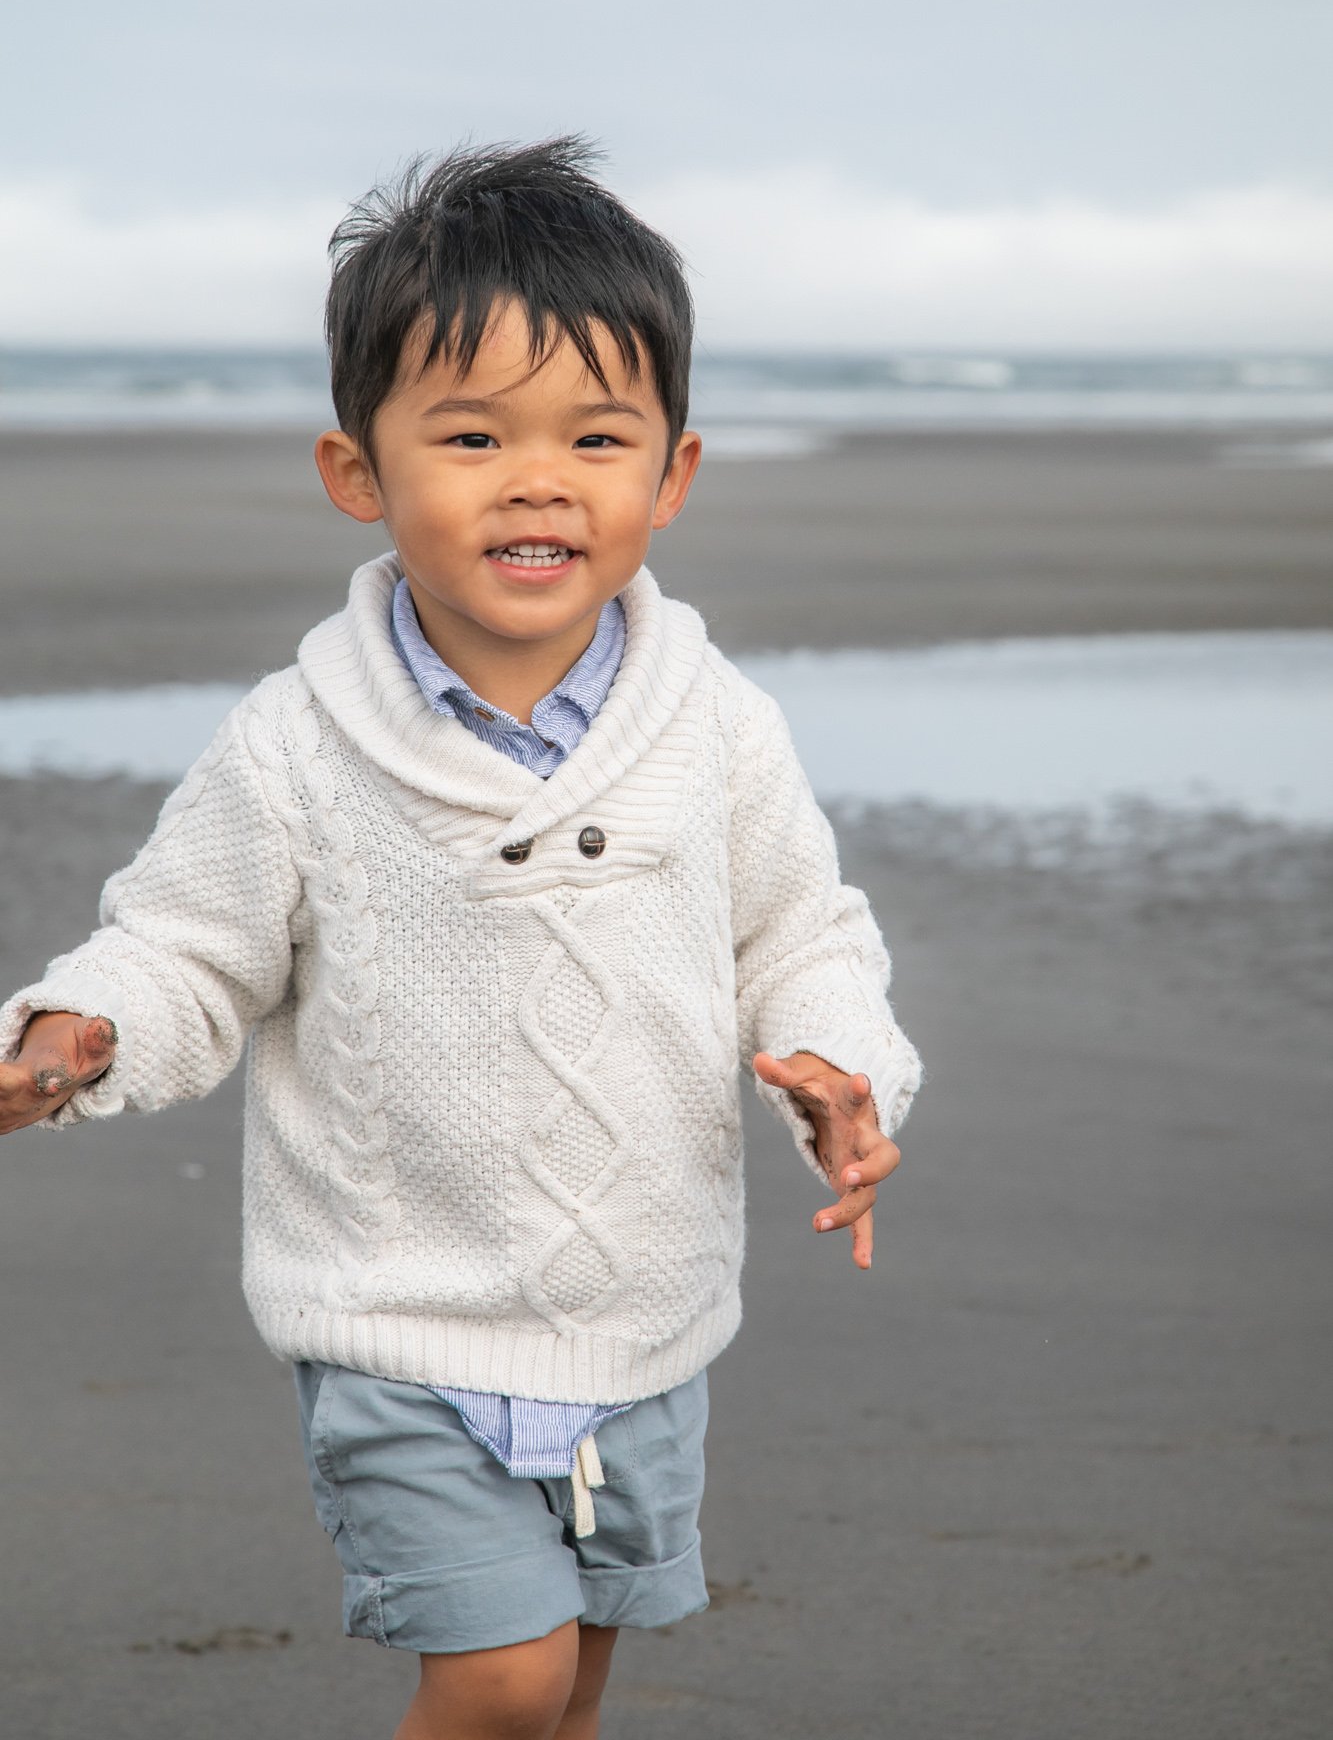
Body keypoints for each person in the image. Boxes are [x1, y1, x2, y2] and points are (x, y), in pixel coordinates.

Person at [0, 138, 921, 1740]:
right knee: (493, 1678)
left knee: (572, 1677)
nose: (538, 477)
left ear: (672, 476)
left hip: (644, 1310)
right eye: (473, 434)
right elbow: (187, 948)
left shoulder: (712, 728)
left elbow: (798, 934)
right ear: (359, 472)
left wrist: (839, 1068)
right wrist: (86, 1029)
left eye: (596, 437)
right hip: (400, 1316)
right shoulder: (297, 744)